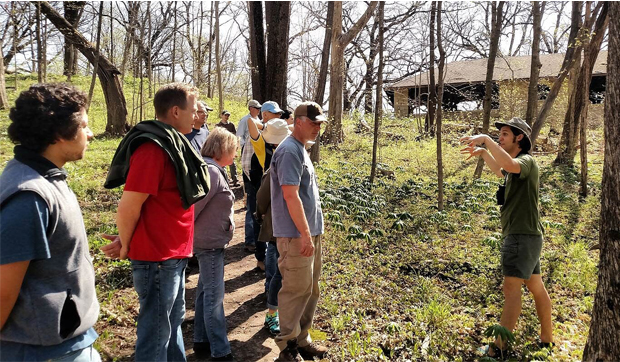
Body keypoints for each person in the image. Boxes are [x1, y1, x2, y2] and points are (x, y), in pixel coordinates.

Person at [101, 83, 210, 362]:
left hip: (173, 255)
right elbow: (129, 205)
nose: (197, 115)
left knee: (171, 329)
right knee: (155, 338)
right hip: (158, 259)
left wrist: (127, 239)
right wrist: (126, 243)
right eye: (193, 109)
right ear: (175, 111)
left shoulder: (174, 143)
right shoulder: (153, 149)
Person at [0, 83, 100, 360]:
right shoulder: (28, 197)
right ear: (59, 133)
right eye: (84, 126)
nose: (90, 134)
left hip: (65, 343)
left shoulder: (47, 177)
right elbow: (2, 292)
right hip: (41, 351)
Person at [460, 117, 553, 357]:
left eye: (503, 134)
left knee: (511, 289)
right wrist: (483, 152)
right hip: (528, 235)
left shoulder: (526, 162)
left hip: (521, 236)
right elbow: (501, 170)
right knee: (536, 287)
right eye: (498, 134)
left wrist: (487, 141)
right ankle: (547, 339)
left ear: (519, 137)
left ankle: (497, 349)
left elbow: (510, 165)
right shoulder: (517, 167)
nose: (500, 138)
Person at [270, 101, 329, 361]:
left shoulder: (302, 149)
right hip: (296, 236)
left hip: (310, 232)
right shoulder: (289, 151)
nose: (318, 127)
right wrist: (305, 235)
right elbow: (290, 196)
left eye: (320, 123)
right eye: (314, 122)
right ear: (299, 120)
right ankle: (287, 345)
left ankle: (302, 338)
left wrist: (313, 233)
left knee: (310, 288)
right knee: (295, 289)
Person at [192, 128, 238, 361]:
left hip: (210, 242)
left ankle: (201, 340)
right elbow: (193, 210)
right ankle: (220, 351)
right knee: (214, 297)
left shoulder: (213, 169)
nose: (235, 155)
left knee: (204, 293)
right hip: (207, 244)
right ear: (222, 149)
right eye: (233, 149)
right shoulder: (211, 171)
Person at [254, 119, 293, 336]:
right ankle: (272, 311)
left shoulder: (283, 155)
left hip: (283, 223)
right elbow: (262, 195)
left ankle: (273, 296)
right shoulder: (279, 159)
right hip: (278, 222)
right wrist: (259, 214)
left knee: (276, 259)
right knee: (277, 265)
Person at [243, 101, 285, 271]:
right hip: (263, 190)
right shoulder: (262, 144)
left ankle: (270, 267)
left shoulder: (285, 143)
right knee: (261, 225)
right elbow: (250, 123)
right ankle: (262, 262)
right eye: (274, 114)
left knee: (274, 230)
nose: (278, 116)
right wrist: (268, 127)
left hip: (279, 191)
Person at [237, 100, 263, 253]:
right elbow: (238, 137)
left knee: (257, 207)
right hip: (248, 167)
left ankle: (256, 240)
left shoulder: (260, 123)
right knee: (251, 206)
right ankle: (250, 241)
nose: (258, 111)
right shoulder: (245, 121)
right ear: (251, 108)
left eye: (260, 109)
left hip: (257, 169)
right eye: (257, 108)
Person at [215, 110, 239, 185]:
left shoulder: (231, 125)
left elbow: (235, 135)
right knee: (223, 164)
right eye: (225, 115)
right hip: (221, 146)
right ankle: (225, 181)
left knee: (232, 163)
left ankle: (235, 180)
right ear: (221, 115)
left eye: (228, 115)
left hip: (230, 146)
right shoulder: (218, 125)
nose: (226, 117)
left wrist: (236, 145)